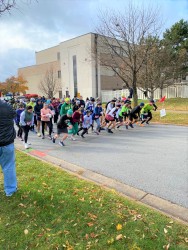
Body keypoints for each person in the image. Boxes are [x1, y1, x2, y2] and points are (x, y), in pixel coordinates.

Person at [0, 99, 17, 197]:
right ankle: (10, 190)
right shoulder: (6, 106)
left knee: (9, 167)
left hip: (7, 141)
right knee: (9, 167)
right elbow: (13, 114)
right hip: (7, 142)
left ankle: (10, 190)